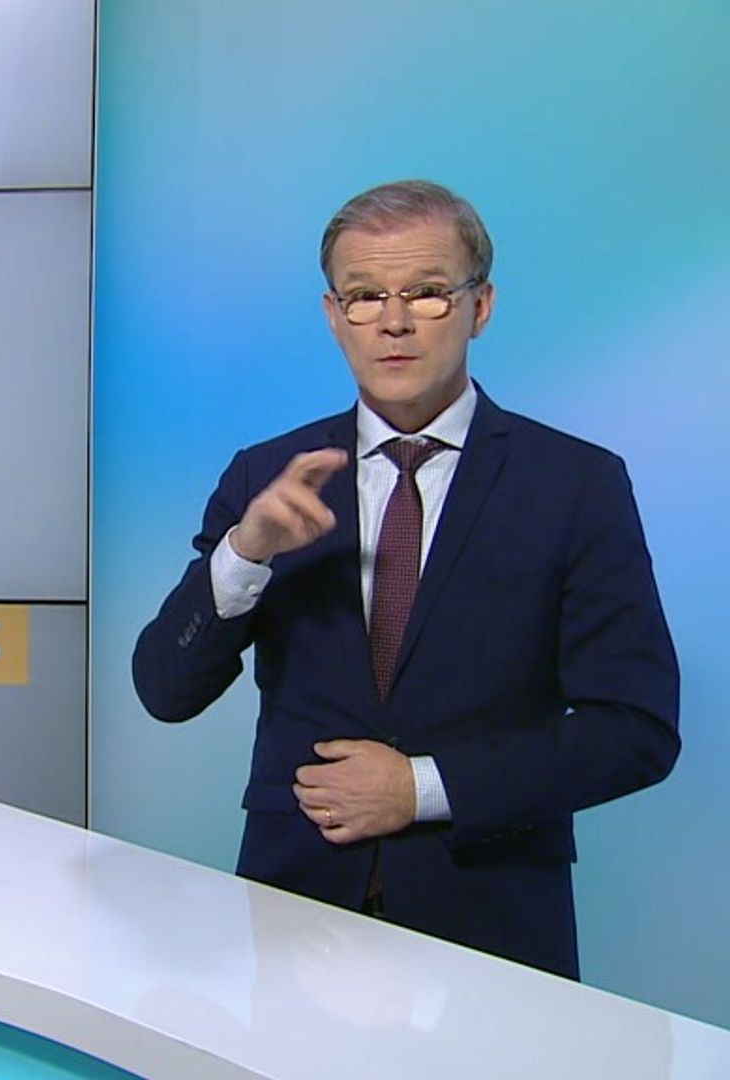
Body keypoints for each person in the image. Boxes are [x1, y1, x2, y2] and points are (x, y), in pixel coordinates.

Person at [130, 179, 679, 979]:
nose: (393, 322)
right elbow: (163, 689)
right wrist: (245, 552)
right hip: (295, 921)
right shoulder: (266, 477)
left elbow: (635, 731)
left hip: (492, 932)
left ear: (480, 306)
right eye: (364, 296)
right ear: (333, 315)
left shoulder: (576, 485)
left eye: (426, 292)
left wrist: (420, 788)